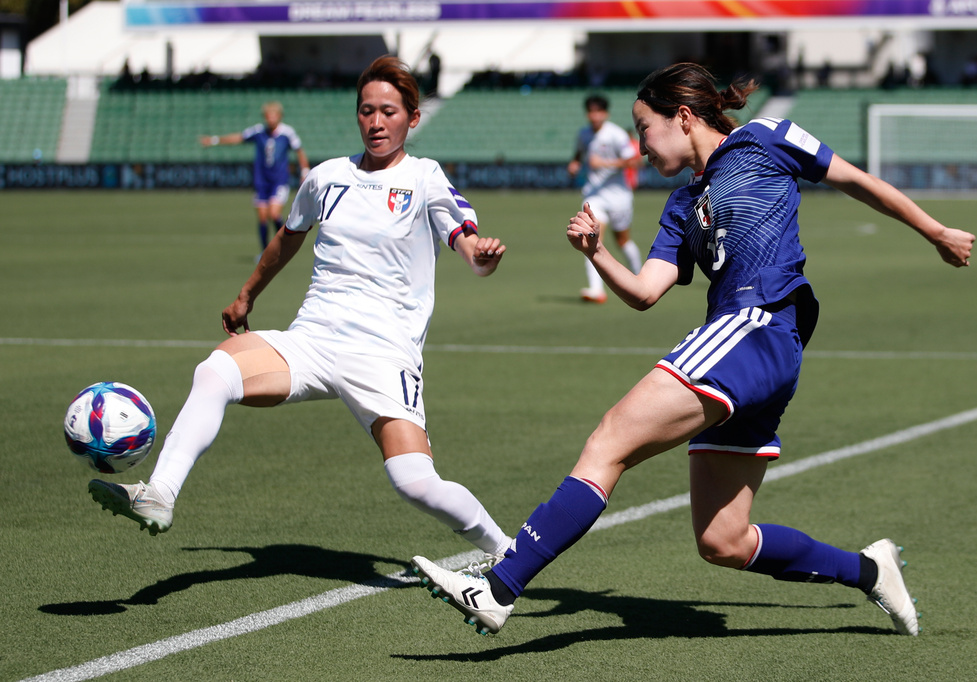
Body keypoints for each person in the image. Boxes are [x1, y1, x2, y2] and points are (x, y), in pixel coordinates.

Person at [411, 62, 976, 636]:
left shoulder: (767, 138)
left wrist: (937, 231)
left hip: (757, 326)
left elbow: (856, 179)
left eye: (644, 128)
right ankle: (869, 571)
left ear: (682, 118)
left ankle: (500, 586)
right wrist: (596, 253)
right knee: (723, 540)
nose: (640, 145)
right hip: (753, 353)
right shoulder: (682, 205)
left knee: (610, 440)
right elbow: (645, 293)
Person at [90, 56, 513, 564]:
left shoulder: (425, 178)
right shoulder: (326, 177)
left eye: (388, 112)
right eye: (366, 111)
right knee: (217, 369)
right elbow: (287, 239)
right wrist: (247, 294)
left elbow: (469, 248)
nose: (376, 123)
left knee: (415, 482)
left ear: (413, 118)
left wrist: (483, 258)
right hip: (311, 340)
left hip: (383, 355)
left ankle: (507, 553)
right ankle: (159, 493)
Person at [200, 101, 311, 253]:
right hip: (261, 181)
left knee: (274, 213)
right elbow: (239, 137)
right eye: (268, 115)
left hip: (279, 180)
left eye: (273, 115)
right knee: (263, 217)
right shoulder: (259, 131)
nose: (270, 119)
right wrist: (215, 140)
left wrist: (305, 170)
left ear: (279, 116)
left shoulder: (287, 132)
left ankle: (285, 245)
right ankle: (265, 252)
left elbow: (299, 150)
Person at [568, 94, 644, 304]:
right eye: (591, 111)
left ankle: (640, 278)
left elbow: (635, 161)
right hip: (594, 196)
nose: (594, 116)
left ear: (606, 113)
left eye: (598, 111)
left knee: (622, 240)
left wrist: (605, 163)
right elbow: (578, 154)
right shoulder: (583, 134)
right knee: (590, 237)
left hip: (619, 197)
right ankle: (596, 290)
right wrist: (574, 164)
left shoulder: (616, 135)